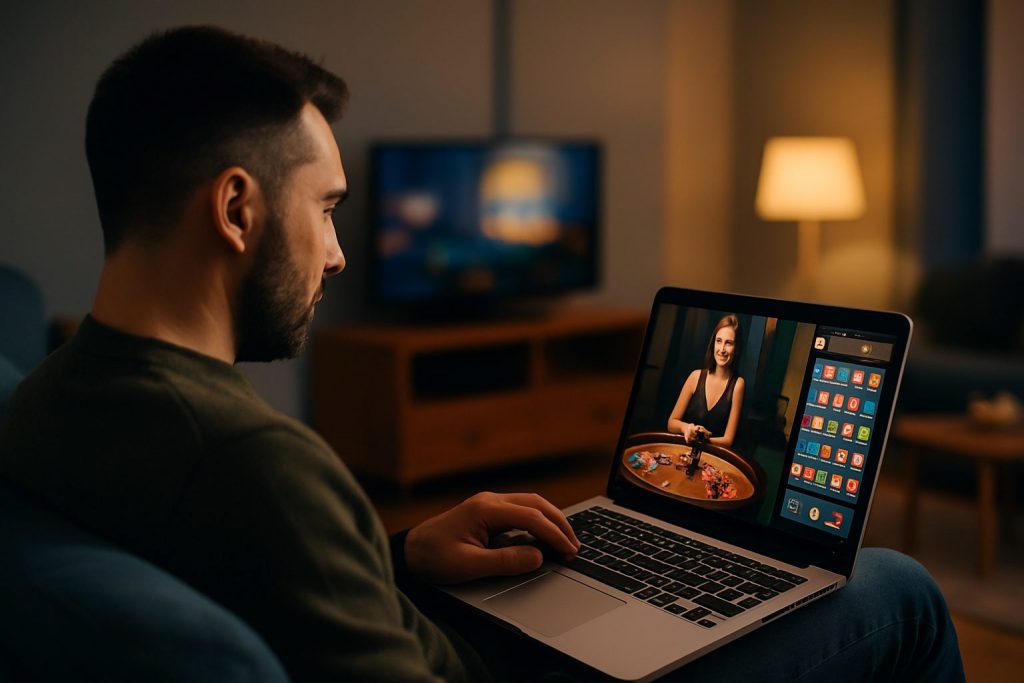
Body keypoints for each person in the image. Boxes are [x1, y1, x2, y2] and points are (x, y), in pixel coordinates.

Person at [0, 26, 964, 682]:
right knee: (898, 588)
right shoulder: (257, 459)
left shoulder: (47, 398)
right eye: (327, 209)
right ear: (238, 208)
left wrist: (399, 555)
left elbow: (250, 567)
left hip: (447, 623)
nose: (337, 253)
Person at [668, 314, 745, 448]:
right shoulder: (695, 376)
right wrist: (686, 428)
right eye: (719, 341)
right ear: (713, 343)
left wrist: (702, 439)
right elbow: (671, 423)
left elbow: (728, 440)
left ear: (736, 348)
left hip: (712, 460)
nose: (721, 349)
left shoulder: (738, 384)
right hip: (683, 452)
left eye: (729, 343)